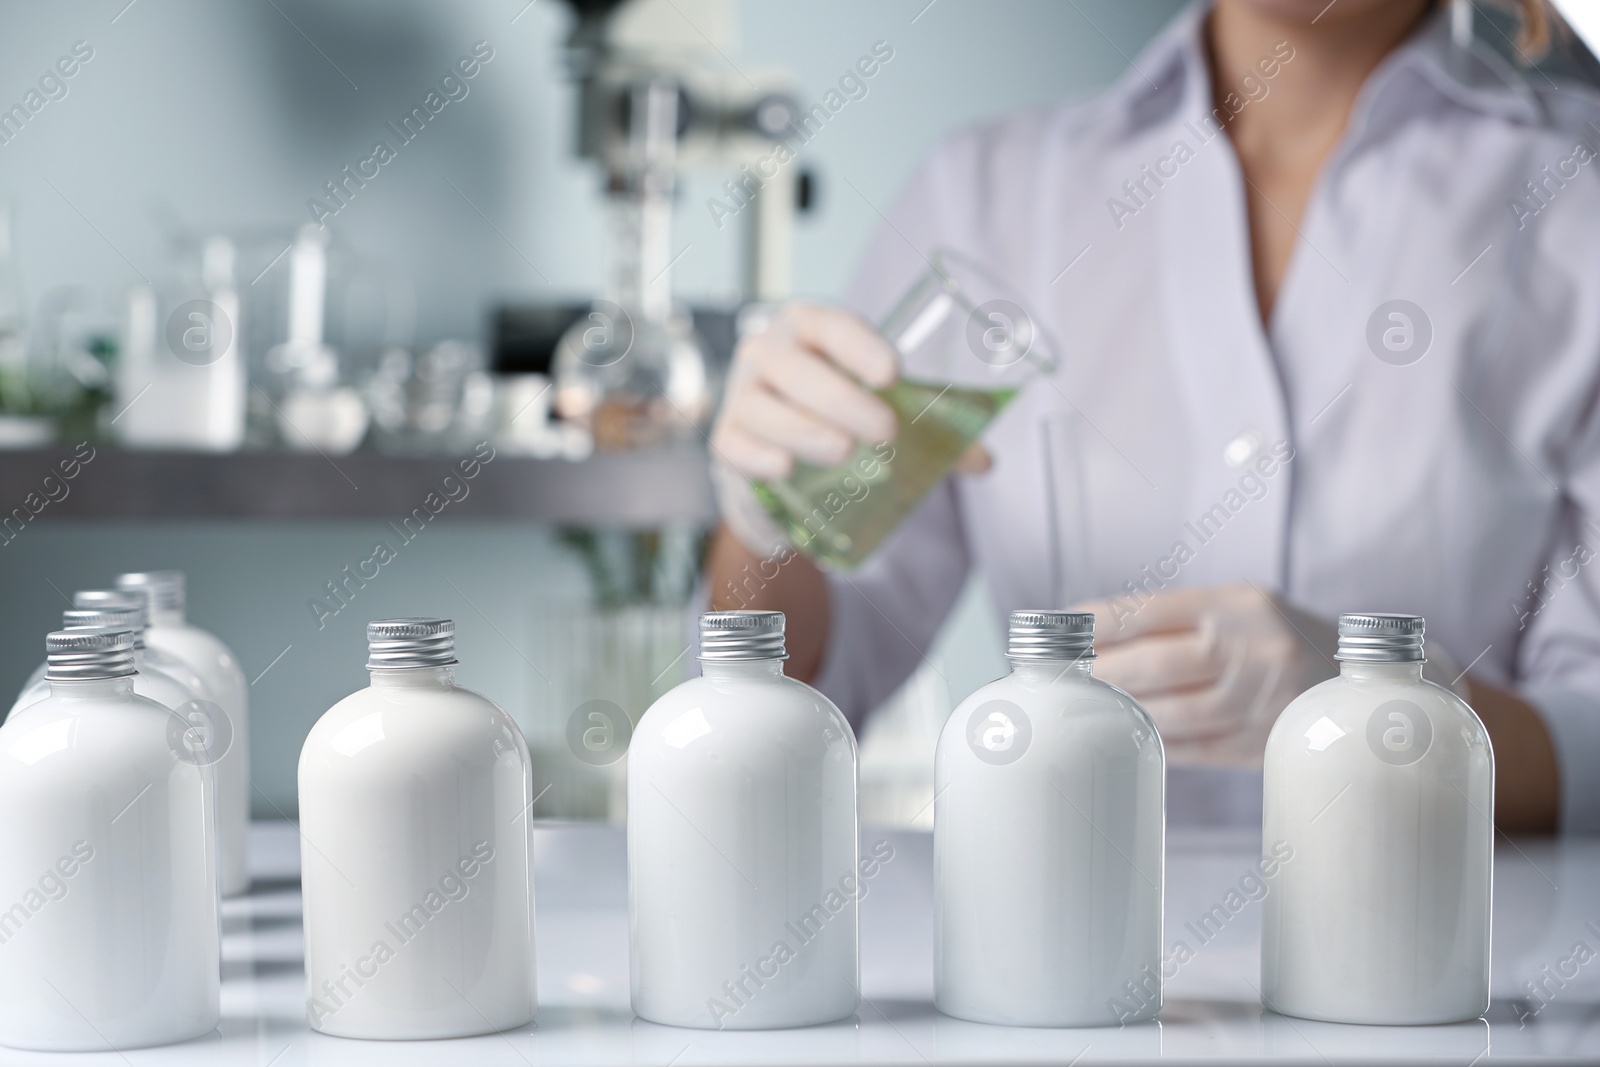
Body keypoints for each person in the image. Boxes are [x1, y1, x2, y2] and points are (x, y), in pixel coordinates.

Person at [707, 0, 1600, 835]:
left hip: (1445, 973)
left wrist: (1385, 718)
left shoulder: (1576, 198)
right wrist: (765, 524)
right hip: (1057, 967)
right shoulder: (989, 198)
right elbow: (800, 691)